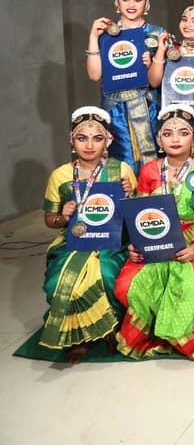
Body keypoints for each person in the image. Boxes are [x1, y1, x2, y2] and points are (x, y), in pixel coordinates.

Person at [114, 104, 194, 359]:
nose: (175, 138)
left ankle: (183, 338)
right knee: (127, 286)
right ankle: (156, 334)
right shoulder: (150, 170)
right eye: (168, 133)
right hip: (156, 242)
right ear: (159, 139)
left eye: (183, 132)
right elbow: (140, 213)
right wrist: (136, 245)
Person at [39, 107, 137, 362]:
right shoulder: (60, 176)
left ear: (108, 141)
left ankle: (109, 329)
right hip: (73, 242)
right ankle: (78, 336)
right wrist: (64, 215)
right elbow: (50, 220)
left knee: (105, 274)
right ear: (72, 141)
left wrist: (129, 195)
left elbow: (136, 213)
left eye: (97, 138)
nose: (90, 145)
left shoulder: (121, 171)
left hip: (112, 241)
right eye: (82, 138)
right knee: (60, 281)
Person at [85, 0, 168, 170]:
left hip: (149, 107)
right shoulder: (106, 34)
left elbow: (155, 82)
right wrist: (93, 37)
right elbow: (95, 75)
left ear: (146, 4)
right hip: (116, 111)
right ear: (117, 3)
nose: (131, 4)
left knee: (155, 164)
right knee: (122, 165)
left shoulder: (157, 33)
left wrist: (154, 61)